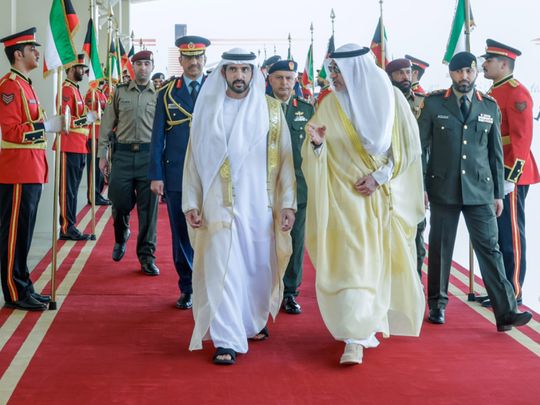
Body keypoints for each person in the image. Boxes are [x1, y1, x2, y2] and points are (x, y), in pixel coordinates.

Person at [303, 44, 425, 365]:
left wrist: (380, 177)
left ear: (355, 70)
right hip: (341, 200)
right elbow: (315, 149)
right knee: (350, 263)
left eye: (338, 72)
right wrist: (316, 145)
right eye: (331, 72)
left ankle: (362, 329)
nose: (333, 78)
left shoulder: (393, 100)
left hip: (378, 200)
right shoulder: (328, 105)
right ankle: (354, 335)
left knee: (372, 263)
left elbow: (408, 150)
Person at [182, 48, 296, 365]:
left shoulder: (271, 111)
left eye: (244, 70)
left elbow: (286, 160)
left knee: (257, 269)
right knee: (223, 268)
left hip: (259, 206)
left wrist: (287, 203)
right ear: (223, 74)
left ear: (252, 74)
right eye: (232, 70)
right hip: (217, 204)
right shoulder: (208, 110)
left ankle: (249, 322)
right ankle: (226, 340)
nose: (239, 76)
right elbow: (192, 160)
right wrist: (191, 200)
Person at [418, 51, 532, 331]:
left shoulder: (489, 106)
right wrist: (420, 187)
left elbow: (495, 154)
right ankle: (437, 304)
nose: (464, 77)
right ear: (452, 75)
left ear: (475, 73)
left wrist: (497, 193)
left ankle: (506, 311)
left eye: (469, 72)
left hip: (480, 191)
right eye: (459, 72)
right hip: (443, 187)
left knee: (490, 250)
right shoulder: (434, 104)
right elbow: (419, 150)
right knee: (442, 249)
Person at [0, 27, 65, 310]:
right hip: (16, 171)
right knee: (13, 234)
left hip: (32, 169)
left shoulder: (27, 85)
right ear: (18, 54)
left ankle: (24, 284)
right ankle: (14, 291)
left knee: (24, 232)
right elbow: (11, 132)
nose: (37, 52)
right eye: (32, 49)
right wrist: (45, 126)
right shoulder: (9, 87)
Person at [149, 35, 211, 309]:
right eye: (189, 58)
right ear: (181, 61)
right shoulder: (166, 93)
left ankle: (211, 283)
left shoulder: (216, 90)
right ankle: (187, 286)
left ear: (205, 60)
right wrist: (156, 174)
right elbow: (157, 137)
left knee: (213, 230)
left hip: (211, 173)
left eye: (199, 57)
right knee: (181, 232)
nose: (194, 62)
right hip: (176, 174)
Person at [479, 39, 540, 308]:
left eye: (488, 60)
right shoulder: (494, 91)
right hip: (494, 173)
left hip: (509, 176)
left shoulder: (516, 93)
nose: (484, 64)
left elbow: (521, 140)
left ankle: (512, 292)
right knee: (496, 236)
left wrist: (509, 178)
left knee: (510, 236)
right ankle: (499, 289)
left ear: (504, 64)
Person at [99, 50, 159, 276]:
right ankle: (121, 233)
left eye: (146, 63)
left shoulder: (159, 95)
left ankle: (146, 256)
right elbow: (107, 124)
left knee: (148, 211)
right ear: (132, 67)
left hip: (148, 156)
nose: (142, 67)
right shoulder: (120, 92)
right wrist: (102, 155)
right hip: (122, 156)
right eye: (139, 64)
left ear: (152, 66)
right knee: (119, 200)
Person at [267, 60, 314, 314]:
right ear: (269, 79)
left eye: (289, 78)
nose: (284, 83)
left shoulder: (306, 110)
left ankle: (290, 292)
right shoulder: (259, 108)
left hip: (299, 186)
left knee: (295, 240)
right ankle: (266, 287)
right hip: (267, 186)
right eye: (279, 78)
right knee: (266, 238)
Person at [386, 58, 427, 278]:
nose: (405, 77)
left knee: (416, 232)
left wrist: (425, 185)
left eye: (408, 72)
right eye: (399, 73)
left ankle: (415, 284)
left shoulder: (424, 102)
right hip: (388, 177)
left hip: (415, 177)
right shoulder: (382, 101)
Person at [84, 80, 111, 206]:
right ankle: (93, 195)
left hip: (101, 134)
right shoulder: (91, 94)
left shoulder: (101, 94)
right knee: (93, 168)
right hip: (93, 134)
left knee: (99, 167)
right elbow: (92, 113)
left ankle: (98, 193)